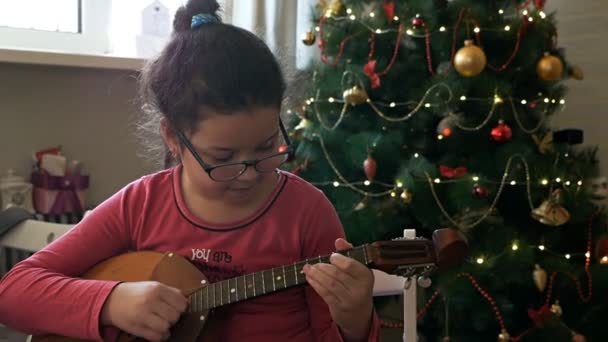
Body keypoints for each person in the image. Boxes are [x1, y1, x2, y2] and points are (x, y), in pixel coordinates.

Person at [0, 0, 380, 341]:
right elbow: (13, 292)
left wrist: (354, 321)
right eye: (223, 156)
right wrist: (112, 302)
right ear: (173, 138)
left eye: (266, 147)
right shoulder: (142, 204)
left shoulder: (306, 212)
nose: (248, 173)